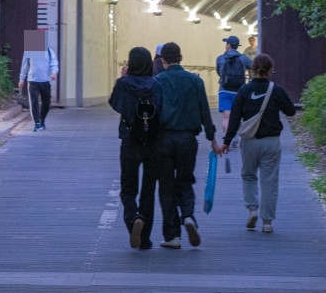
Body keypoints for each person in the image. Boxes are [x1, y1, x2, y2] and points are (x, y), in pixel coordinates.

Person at [154, 42, 221, 249]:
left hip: (163, 139)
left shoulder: (157, 82)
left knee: (166, 186)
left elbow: (153, 112)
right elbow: (204, 112)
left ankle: (172, 236)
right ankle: (188, 215)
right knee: (185, 180)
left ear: (162, 60)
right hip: (188, 140)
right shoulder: (195, 81)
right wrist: (212, 138)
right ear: (181, 58)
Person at [221, 53, 297, 234]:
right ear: (271, 71)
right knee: (269, 181)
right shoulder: (276, 90)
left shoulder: (244, 91)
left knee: (249, 176)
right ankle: (267, 222)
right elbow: (291, 111)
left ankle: (252, 209)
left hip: (249, 141)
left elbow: (235, 118)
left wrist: (227, 141)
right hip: (271, 142)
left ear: (252, 70)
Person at [109, 47, 160, 250]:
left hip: (130, 139)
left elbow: (115, 104)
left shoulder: (124, 84)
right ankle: (145, 239)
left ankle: (133, 219)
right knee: (148, 190)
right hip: (152, 141)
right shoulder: (157, 84)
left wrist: (122, 79)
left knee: (128, 189)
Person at [18, 34, 60, 132]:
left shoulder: (49, 51)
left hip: (45, 81)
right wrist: (21, 79)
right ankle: (36, 123)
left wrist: (54, 72)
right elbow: (24, 66)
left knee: (47, 103)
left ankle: (42, 119)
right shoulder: (29, 52)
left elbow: (54, 63)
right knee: (34, 102)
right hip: (33, 81)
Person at [216, 35, 253, 138]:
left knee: (226, 117)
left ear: (228, 45)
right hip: (239, 91)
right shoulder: (244, 58)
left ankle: (228, 139)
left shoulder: (220, 58)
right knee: (238, 116)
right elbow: (254, 66)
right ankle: (236, 136)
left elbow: (219, 73)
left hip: (224, 90)